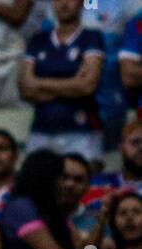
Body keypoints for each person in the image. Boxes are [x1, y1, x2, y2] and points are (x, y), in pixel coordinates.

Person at [19, 0, 104, 163]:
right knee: (36, 184)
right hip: (41, 130)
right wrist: (72, 84)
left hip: (83, 131)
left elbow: (87, 86)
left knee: (85, 185)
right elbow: (25, 89)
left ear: (83, 3)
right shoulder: (38, 40)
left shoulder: (91, 37)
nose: (63, 4)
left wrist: (38, 82)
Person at [1, 150, 85, 249]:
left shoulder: (91, 217)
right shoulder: (24, 207)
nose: (68, 184)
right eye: (63, 177)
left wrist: (102, 222)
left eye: (78, 180)